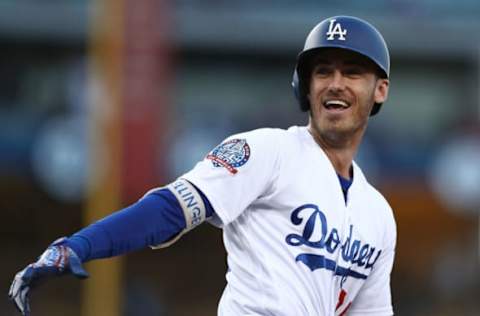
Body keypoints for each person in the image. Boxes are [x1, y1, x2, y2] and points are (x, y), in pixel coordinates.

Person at [9, 15, 396, 316]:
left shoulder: (377, 214)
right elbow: (170, 208)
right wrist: (79, 245)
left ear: (380, 89)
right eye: (323, 71)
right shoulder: (267, 151)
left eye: (353, 72)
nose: (335, 83)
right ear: (304, 87)